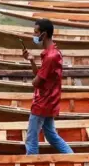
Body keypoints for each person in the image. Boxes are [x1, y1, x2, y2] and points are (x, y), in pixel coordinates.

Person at [22, 19, 74, 156]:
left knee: (31, 139)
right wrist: (32, 60)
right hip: (50, 102)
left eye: (36, 32)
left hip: (42, 103)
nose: (34, 35)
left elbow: (36, 82)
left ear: (43, 35)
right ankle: (74, 159)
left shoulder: (50, 57)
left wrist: (33, 81)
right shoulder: (53, 52)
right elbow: (40, 75)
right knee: (51, 136)